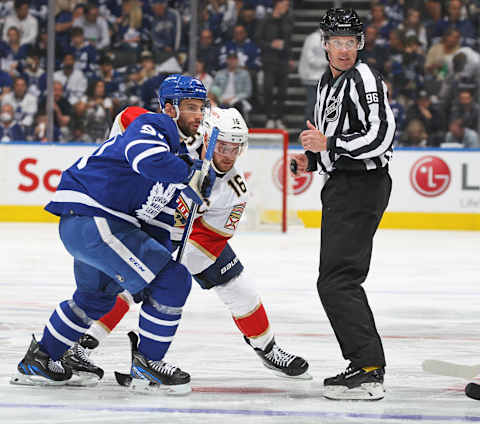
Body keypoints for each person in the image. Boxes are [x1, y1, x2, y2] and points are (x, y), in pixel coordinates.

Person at [62, 106, 310, 382]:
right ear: (208, 138)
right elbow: (127, 116)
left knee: (241, 290)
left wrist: (164, 261)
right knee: (122, 283)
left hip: (194, 240)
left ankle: (267, 348)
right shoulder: (176, 143)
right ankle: (83, 344)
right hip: (147, 225)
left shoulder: (234, 191)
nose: (229, 156)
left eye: (236, 148)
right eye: (223, 146)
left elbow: (210, 240)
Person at [11, 75, 216, 395]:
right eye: (191, 107)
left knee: (96, 297)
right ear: (169, 108)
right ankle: (148, 363)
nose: (199, 115)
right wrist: (189, 174)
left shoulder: (176, 161)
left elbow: (158, 228)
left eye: (201, 108)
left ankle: (40, 359)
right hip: (96, 219)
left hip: (90, 225)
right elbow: (145, 159)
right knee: (174, 279)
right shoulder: (156, 125)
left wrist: (187, 186)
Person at [290, 8, 395, 401]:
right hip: (342, 186)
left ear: (360, 44)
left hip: (362, 185)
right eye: (337, 41)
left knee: (338, 279)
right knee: (335, 278)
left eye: (351, 41)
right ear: (325, 43)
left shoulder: (365, 77)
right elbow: (325, 139)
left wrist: (329, 146)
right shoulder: (324, 84)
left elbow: (381, 135)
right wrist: (311, 159)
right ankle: (362, 363)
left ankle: (369, 369)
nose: (344, 49)